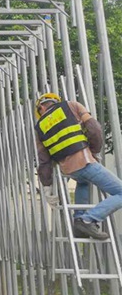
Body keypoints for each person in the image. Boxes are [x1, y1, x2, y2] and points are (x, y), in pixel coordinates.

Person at [35, 92, 122, 240]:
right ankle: (88, 220)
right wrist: (94, 151)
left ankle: (79, 222)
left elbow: (44, 160)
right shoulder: (71, 105)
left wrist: (47, 187)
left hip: (68, 170)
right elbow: (94, 128)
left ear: (41, 107)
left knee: (83, 183)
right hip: (85, 162)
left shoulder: (39, 127)